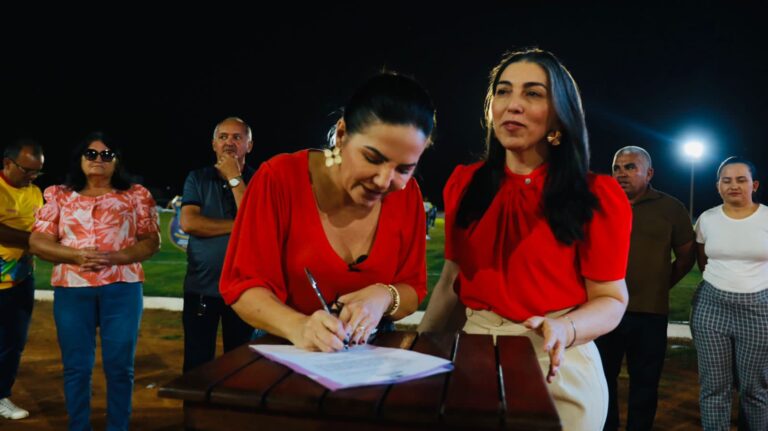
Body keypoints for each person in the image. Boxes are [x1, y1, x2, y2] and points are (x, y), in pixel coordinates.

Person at [418, 48, 631, 430]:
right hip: (474, 361)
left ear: (559, 114)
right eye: (503, 91)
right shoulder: (465, 183)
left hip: (556, 365)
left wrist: (565, 329)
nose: (512, 104)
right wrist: (421, 350)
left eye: (532, 93)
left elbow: (612, 299)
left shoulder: (596, 194)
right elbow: (452, 283)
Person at [219, 72, 435, 352]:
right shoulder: (279, 178)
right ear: (342, 135)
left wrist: (383, 297)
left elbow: (412, 288)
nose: (384, 181)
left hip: (372, 352)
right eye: (372, 158)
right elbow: (244, 286)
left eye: (404, 169)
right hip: (288, 346)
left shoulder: (408, 195)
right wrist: (299, 326)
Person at [29, 132, 160, 431]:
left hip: (122, 288)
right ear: (80, 159)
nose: (98, 159)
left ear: (117, 161)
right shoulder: (59, 195)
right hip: (72, 290)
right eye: (91, 154)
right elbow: (38, 242)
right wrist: (75, 256)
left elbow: (151, 241)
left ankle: (118, 426)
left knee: (120, 367)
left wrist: (115, 257)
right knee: (76, 367)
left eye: (106, 154)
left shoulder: (136, 195)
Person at [595, 146, 695, 430]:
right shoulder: (599, 203)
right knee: (601, 382)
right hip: (603, 312)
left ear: (649, 173)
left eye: (630, 167)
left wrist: (661, 284)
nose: (621, 173)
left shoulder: (671, 207)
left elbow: (686, 256)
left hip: (650, 313)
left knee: (645, 386)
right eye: (617, 168)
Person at [691, 156, 768, 430]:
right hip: (711, 308)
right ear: (718, 186)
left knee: (755, 389)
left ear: (754, 185)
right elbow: (703, 261)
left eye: (741, 180)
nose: (733, 185)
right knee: (714, 387)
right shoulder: (707, 219)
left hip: (759, 310)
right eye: (727, 180)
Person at [179, 117, 255, 372]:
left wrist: (234, 177)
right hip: (202, 288)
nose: (229, 142)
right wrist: (240, 226)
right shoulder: (197, 178)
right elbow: (189, 222)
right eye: (223, 137)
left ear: (249, 145)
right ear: (214, 144)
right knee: (197, 366)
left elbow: (257, 223)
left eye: (237, 137)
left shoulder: (261, 179)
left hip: (247, 291)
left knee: (241, 366)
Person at [0, 139, 44, 420]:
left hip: (20, 280)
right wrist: (33, 240)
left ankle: (1, 395)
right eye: (27, 170)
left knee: (12, 343)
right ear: (8, 163)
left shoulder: (36, 192)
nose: (32, 176)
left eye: (37, 171)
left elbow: (43, 229)